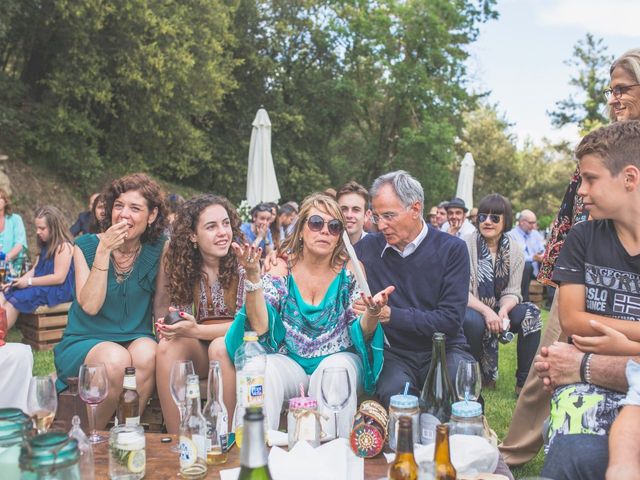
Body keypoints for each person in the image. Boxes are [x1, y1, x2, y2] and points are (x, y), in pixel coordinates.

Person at [500, 47, 640, 467]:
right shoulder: (606, 143)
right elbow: (573, 205)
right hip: (585, 261)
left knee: (598, 362)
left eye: (622, 89)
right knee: (552, 358)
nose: (613, 98)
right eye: (610, 91)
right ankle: (513, 455)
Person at [213, 193, 393, 436]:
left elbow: (361, 329)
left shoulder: (350, 269)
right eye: (317, 223)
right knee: (260, 368)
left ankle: (332, 460)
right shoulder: (281, 266)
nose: (325, 232)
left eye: (334, 227)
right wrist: (254, 276)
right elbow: (261, 325)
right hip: (290, 362)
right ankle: (253, 456)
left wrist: (372, 313)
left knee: (335, 370)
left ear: (340, 234)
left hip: (338, 359)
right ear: (300, 229)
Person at [536, 120, 640, 480]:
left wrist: (622, 345)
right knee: (574, 453)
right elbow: (573, 322)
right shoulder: (582, 236)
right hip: (586, 386)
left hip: (590, 364)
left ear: (629, 178)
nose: (580, 191)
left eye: (591, 179)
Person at [53, 173, 167, 430]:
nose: (124, 214)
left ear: (151, 216)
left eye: (135, 208)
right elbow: (90, 305)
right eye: (118, 206)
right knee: (116, 360)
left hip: (136, 336)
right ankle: (90, 439)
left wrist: (168, 346)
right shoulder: (84, 245)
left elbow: (161, 304)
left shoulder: (160, 248)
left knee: (149, 353)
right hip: (86, 340)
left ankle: (127, 433)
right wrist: (104, 250)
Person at [354, 171, 475, 408]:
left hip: (445, 349)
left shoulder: (452, 249)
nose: (381, 225)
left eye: (389, 215)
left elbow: (450, 320)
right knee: (397, 402)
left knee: (457, 400)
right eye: (377, 217)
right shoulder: (367, 248)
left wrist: (392, 315)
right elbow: (329, 265)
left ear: (415, 208)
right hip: (394, 353)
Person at [155, 194, 247, 434]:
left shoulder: (243, 263)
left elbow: (249, 324)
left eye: (226, 224)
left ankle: (225, 437)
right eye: (211, 226)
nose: (223, 232)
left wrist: (196, 330)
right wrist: (173, 325)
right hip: (203, 349)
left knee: (220, 346)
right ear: (193, 236)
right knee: (168, 346)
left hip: (242, 348)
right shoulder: (184, 265)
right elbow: (183, 318)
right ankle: (178, 439)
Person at [462, 194, 542, 393]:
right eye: (482, 217)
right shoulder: (463, 245)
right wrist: (487, 312)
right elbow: (460, 292)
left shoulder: (515, 250)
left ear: (505, 220)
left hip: (499, 308)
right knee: (472, 320)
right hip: (472, 305)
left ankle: (523, 383)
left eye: (495, 217)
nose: (487, 222)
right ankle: (473, 376)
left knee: (531, 313)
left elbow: (513, 291)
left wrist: (504, 310)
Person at [1, 206, 75, 329]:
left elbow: (59, 278)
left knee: (16, 298)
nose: (37, 232)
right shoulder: (46, 245)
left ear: (54, 227)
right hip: (43, 285)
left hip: (59, 290)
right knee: (5, 292)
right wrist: (18, 281)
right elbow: (35, 269)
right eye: (37, 228)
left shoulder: (64, 247)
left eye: (42, 228)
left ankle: (1, 332)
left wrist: (29, 282)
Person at [508, 209, 545, 302]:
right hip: (521, 269)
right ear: (521, 222)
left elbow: (542, 249)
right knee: (526, 265)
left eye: (534, 223)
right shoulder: (511, 235)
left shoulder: (535, 234)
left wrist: (542, 255)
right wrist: (532, 258)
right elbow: (514, 257)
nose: (533, 226)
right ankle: (524, 299)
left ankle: (550, 298)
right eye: (531, 223)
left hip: (536, 267)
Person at [0, 189, 27, 269]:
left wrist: (5, 259)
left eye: (0, 197)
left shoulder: (15, 219)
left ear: (5, 201)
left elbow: (20, 244)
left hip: (12, 267)